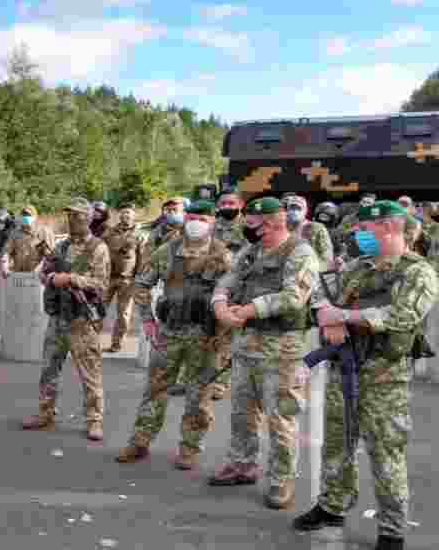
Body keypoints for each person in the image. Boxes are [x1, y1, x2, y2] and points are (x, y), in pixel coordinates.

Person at [294, 200, 438, 550]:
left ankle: (392, 530)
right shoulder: (357, 268)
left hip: (384, 377)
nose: (358, 235)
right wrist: (328, 317)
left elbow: (402, 316)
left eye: (364, 229)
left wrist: (343, 316)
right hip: (344, 368)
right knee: (337, 443)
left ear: (388, 227)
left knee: (385, 454)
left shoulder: (418, 272)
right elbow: (319, 298)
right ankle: (333, 506)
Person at [207, 197, 319, 509]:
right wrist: (219, 302)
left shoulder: (300, 252)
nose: (247, 228)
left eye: (252, 224)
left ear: (272, 223)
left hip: (281, 349)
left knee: (280, 416)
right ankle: (242, 464)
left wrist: (248, 310)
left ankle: (282, 480)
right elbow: (229, 279)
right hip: (246, 345)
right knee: (242, 412)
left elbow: (294, 297)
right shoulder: (251, 251)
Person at [117, 201, 232, 468]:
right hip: (169, 332)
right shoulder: (168, 250)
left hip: (204, 336)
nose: (196, 223)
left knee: (199, 394)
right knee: (155, 389)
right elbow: (141, 284)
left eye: (203, 218)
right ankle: (140, 441)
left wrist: (224, 337)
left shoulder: (222, 256)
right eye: (192, 217)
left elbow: (234, 297)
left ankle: (190, 448)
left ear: (212, 221)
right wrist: (147, 321)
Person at [22, 198, 109, 442]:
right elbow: (44, 272)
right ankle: (45, 412)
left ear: (88, 219)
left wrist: (71, 279)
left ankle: (94, 420)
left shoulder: (98, 248)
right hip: (58, 317)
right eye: (70, 216)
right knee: (48, 369)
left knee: (90, 373)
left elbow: (101, 284)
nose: (72, 220)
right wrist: (51, 279)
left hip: (81, 320)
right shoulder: (61, 247)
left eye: (78, 216)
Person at [209, 189, 248, 400]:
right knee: (204, 336)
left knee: (225, 339)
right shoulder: (209, 227)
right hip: (206, 288)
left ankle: (220, 383)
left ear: (240, 205)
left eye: (231, 203)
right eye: (223, 203)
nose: (227, 207)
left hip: (233, 291)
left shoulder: (248, 228)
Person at [103, 204, 142, 353]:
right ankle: (90, 341)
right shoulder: (109, 232)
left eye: (128, 213)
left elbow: (142, 258)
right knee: (98, 310)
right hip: (108, 278)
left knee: (124, 314)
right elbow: (100, 251)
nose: (125, 215)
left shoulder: (139, 234)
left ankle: (116, 343)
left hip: (127, 280)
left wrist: (138, 279)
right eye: (123, 212)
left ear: (134, 215)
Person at [283, 194, 334, 269]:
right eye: (292, 208)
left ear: (305, 211)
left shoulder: (317, 228)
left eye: (298, 209)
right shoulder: (282, 228)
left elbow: (327, 258)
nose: (294, 211)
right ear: (287, 210)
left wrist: (311, 268)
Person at [2, 206, 56, 277]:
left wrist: (41, 269)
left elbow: (50, 257)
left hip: (37, 276)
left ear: (35, 217)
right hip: (18, 275)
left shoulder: (44, 232)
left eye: (28, 215)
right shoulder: (15, 233)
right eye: (24, 215)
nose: (26, 217)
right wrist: (5, 266)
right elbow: (6, 251)